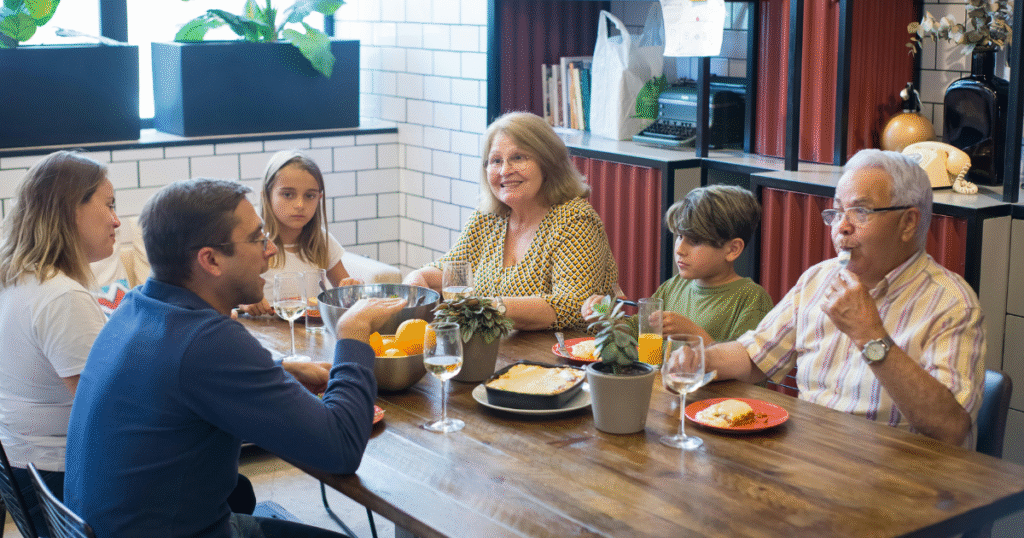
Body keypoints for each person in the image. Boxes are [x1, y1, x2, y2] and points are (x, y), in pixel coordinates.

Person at [64, 178, 406, 538]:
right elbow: (341, 449)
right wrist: (353, 332)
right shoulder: (209, 340)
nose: (270, 249)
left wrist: (278, 370)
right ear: (210, 260)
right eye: (258, 238)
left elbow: (182, 380)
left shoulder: (136, 306)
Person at [706, 149, 985, 447]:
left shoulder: (952, 303)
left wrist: (869, 334)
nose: (842, 227)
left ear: (908, 223)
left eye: (860, 212)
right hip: (813, 461)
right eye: (837, 212)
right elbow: (756, 356)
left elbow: (950, 428)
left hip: (901, 481)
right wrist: (698, 359)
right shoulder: (819, 278)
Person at [403, 111, 618, 331]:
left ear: (548, 163)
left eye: (518, 157)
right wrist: (417, 277)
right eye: (496, 160)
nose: (505, 170)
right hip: (502, 352)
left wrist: (490, 306)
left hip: (568, 356)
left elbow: (572, 304)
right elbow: (453, 273)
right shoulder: (488, 217)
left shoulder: (574, 220)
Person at [0, 151, 118, 536]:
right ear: (72, 210)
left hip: (23, 465)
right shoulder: (60, 295)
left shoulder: (18, 277)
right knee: (231, 490)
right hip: (59, 477)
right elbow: (101, 414)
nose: (116, 220)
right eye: (109, 204)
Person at [581, 185, 773, 345]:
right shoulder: (672, 287)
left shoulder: (751, 299)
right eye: (679, 236)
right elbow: (637, 339)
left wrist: (696, 336)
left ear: (733, 249)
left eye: (695, 241)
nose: (680, 249)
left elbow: (749, 370)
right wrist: (605, 317)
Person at [239, 150, 361, 316]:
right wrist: (243, 301)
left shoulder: (322, 241)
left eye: (309, 196)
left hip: (310, 336)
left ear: (319, 198)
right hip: (263, 335)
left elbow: (347, 294)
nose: (299, 204)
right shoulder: (250, 244)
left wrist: (354, 288)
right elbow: (223, 294)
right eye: (288, 194)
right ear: (267, 196)